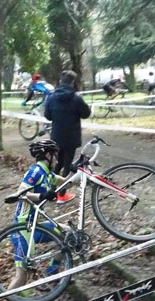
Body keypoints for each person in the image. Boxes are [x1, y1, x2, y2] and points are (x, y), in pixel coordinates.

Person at [0, 140, 68, 301]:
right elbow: (20, 193)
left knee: (65, 234)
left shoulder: (47, 174)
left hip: (36, 227)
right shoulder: (36, 171)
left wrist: (78, 172)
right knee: (22, 276)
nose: (57, 159)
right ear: (48, 155)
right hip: (22, 228)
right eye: (56, 155)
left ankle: (52, 270)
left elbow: (64, 182)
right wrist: (41, 196)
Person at [44, 70, 91, 204]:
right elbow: (86, 114)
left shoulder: (51, 97)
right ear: (72, 82)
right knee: (67, 165)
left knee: (56, 164)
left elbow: (47, 115)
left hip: (56, 136)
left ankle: (51, 192)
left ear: (60, 81)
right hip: (71, 137)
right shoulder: (76, 98)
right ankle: (62, 194)